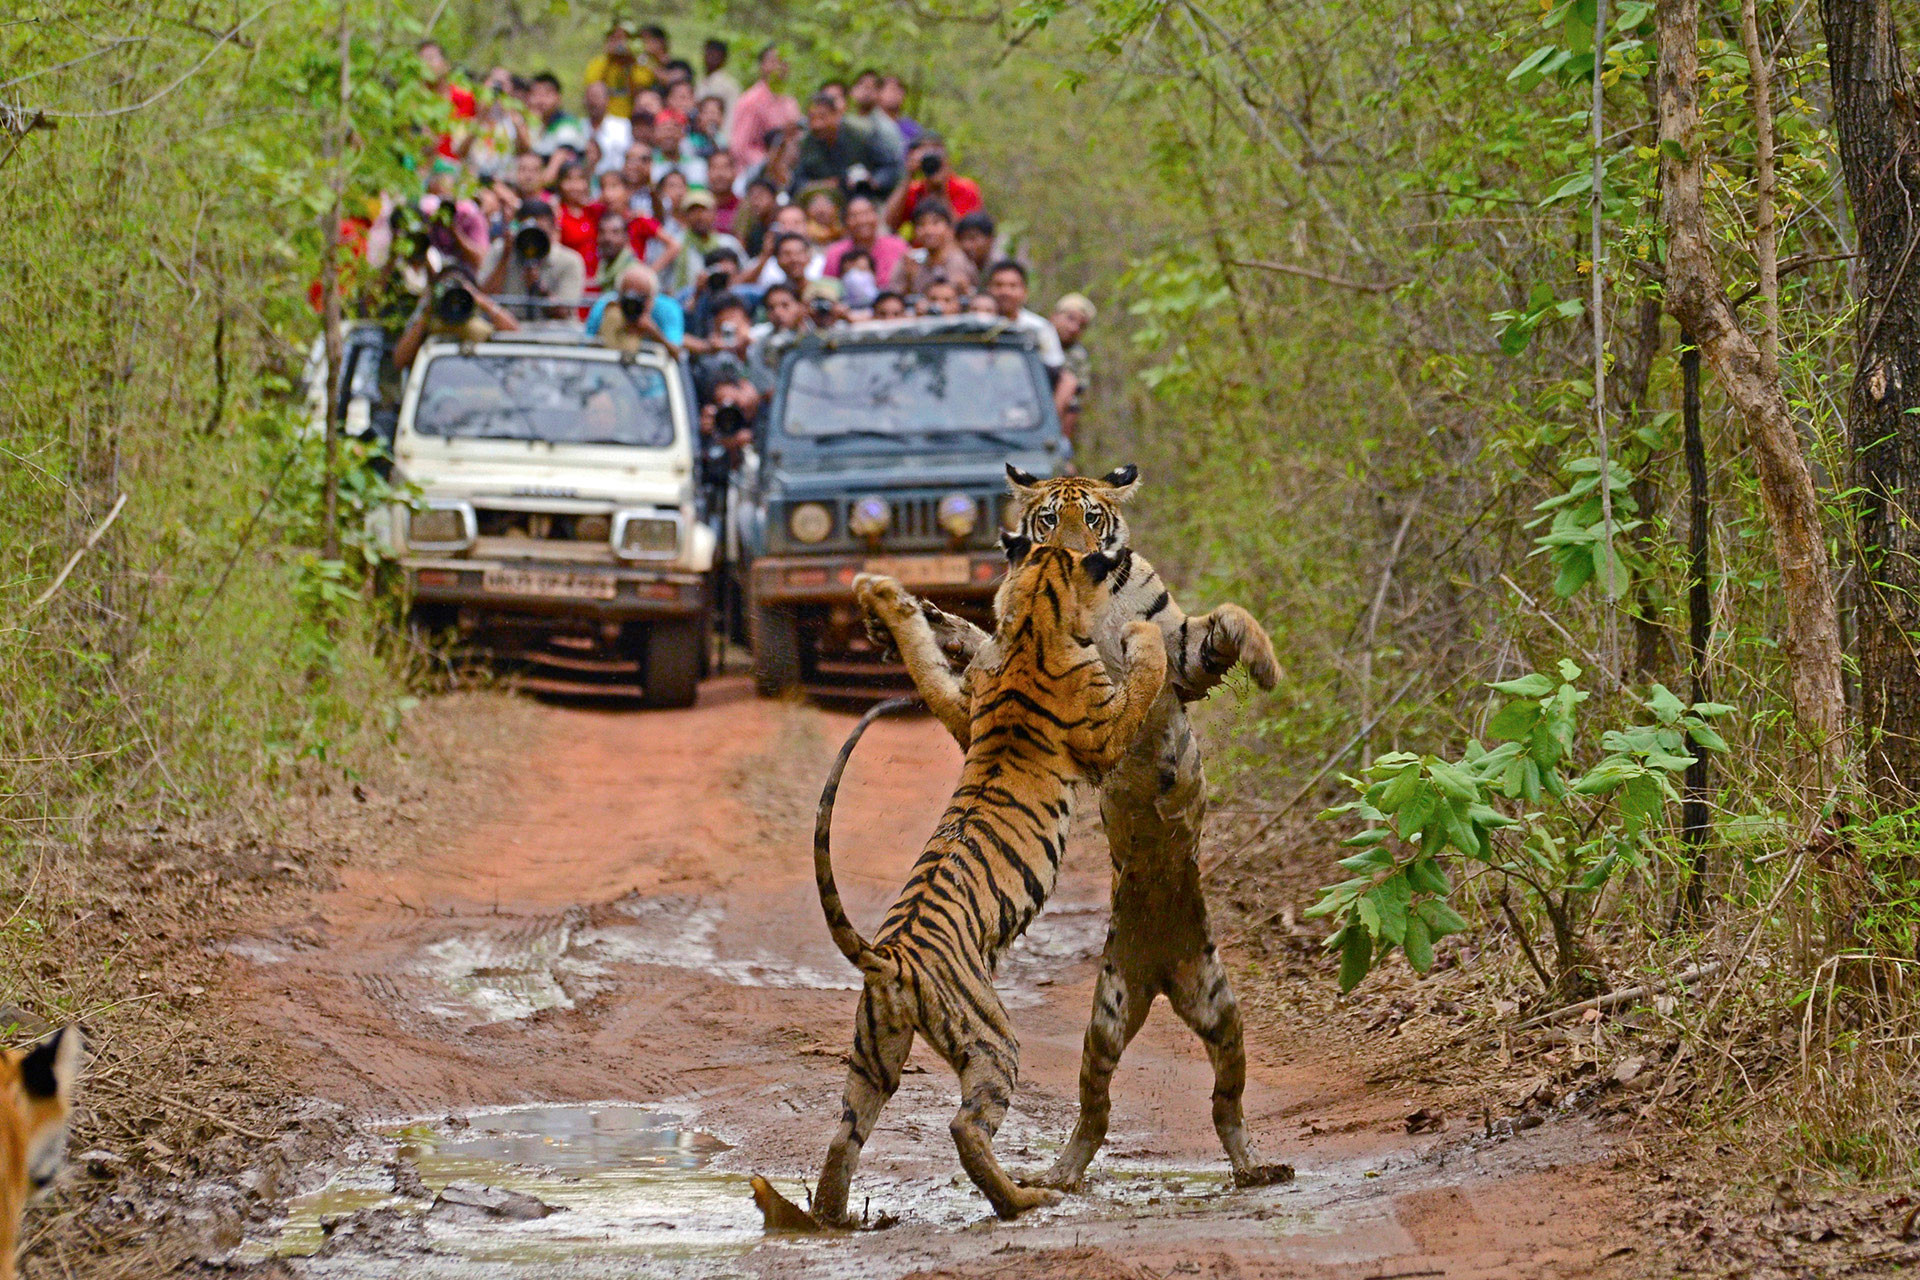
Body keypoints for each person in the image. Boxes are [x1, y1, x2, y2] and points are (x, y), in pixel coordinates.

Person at [985, 260, 1075, 418]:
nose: (1005, 291)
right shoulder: (975, 326)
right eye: (999, 285)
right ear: (988, 289)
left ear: (1024, 292)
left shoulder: (1039, 329)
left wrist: (1048, 420)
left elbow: (1059, 376)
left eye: (1013, 286)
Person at [479, 199, 586, 320]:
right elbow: (484, 298)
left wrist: (539, 288)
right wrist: (505, 257)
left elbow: (564, 313)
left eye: (540, 233)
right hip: (507, 330)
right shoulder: (501, 250)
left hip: (554, 333)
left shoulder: (570, 261)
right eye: (528, 233)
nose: (532, 241)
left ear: (553, 230)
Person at [791, 91, 900, 198]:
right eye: (812, 119)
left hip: (863, 197)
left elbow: (890, 167)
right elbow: (798, 181)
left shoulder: (861, 133)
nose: (817, 125)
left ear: (837, 115)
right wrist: (821, 185)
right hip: (826, 199)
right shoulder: (807, 142)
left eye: (822, 117)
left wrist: (873, 181)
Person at [884, 132, 981, 228]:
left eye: (936, 151)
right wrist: (908, 175)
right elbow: (889, 222)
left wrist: (942, 189)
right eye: (925, 151)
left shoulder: (966, 188)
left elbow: (963, 234)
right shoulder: (914, 190)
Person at [585, 262, 685, 353]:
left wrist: (654, 332)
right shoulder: (605, 306)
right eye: (629, 298)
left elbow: (676, 353)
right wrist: (610, 326)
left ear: (653, 296)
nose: (633, 305)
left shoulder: (668, 309)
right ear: (619, 295)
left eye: (641, 298)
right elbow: (586, 347)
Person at [729, 45, 800, 170]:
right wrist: (769, 164)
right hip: (755, 174)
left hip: (787, 171)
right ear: (762, 65)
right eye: (774, 61)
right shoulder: (751, 101)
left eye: (783, 62)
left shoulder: (790, 102)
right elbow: (740, 146)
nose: (779, 67)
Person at [667, 188, 745, 296]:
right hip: (685, 302)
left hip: (725, 299)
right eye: (693, 211)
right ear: (685, 216)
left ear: (714, 213)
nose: (699, 216)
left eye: (704, 210)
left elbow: (745, 274)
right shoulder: (675, 243)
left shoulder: (729, 243)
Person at [890, 200, 976, 295]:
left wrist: (964, 290)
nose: (928, 230)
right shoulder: (910, 261)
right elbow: (894, 300)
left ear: (949, 228)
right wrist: (909, 281)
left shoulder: (961, 263)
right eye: (921, 224)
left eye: (935, 223)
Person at [822, 193, 909, 285]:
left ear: (876, 216)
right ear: (846, 222)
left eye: (866, 213)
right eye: (854, 216)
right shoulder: (835, 253)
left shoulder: (898, 246)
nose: (862, 220)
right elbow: (828, 289)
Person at [527, 72, 589, 185]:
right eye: (535, 94)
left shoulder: (567, 125)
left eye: (546, 95)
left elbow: (551, 173)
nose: (540, 101)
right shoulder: (535, 125)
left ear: (558, 98)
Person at [419, 40, 476, 160]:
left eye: (431, 58)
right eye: (422, 60)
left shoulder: (464, 98)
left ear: (446, 65)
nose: (426, 64)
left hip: (454, 166)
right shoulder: (413, 99)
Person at [1052, 293, 1095, 434]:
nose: (1074, 328)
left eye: (1081, 325)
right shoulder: (1033, 339)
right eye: (1070, 318)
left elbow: (1078, 389)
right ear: (1054, 316)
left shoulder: (1078, 356)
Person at [584, 21, 648, 116]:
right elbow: (592, 87)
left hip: (632, 118)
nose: (620, 44)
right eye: (615, 39)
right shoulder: (599, 62)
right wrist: (609, 59)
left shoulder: (639, 63)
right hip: (605, 119)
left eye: (624, 38)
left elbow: (640, 89)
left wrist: (629, 63)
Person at [555, 162, 605, 277]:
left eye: (580, 180)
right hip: (569, 279)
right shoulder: (557, 213)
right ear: (560, 183)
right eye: (569, 180)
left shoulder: (594, 211)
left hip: (596, 279)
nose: (575, 186)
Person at [848, 69, 905, 163]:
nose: (866, 91)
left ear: (879, 94)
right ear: (852, 91)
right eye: (861, 85)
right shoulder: (845, 123)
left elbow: (893, 165)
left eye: (871, 87)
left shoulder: (887, 128)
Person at [583, 81, 631, 175]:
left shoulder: (623, 126)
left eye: (597, 96)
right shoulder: (579, 127)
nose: (593, 101)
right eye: (589, 97)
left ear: (607, 100)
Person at [651, 111, 707, 187]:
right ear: (655, 134)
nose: (669, 135)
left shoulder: (697, 165)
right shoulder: (649, 165)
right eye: (664, 129)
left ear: (682, 134)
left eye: (674, 129)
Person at [592, 209, 637, 292]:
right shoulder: (603, 265)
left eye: (615, 232)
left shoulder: (632, 274)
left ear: (626, 237)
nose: (607, 238)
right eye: (602, 232)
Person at [697, 38, 740, 122]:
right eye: (708, 53)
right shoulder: (701, 82)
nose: (710, 57)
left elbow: (732, 116)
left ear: (724, 59)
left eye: (715, 54)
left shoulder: (729, 86)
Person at [878, 74, 921, 147]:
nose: (895, 95)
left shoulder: (911, 128)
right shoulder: (867, 127)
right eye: (891, 90)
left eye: (899, 91)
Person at [956, 210, 998, 278]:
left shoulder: (999, 267)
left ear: (990, 239)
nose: (966, 245)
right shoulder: (965, 264)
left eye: (972, 239)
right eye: (962, 239)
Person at [706, 151, 741, 230]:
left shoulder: (742, 207)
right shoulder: (698, 207)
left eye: (725, 168)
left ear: (735, 173)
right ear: (707, 173)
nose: (720, 174)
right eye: (715, 168)